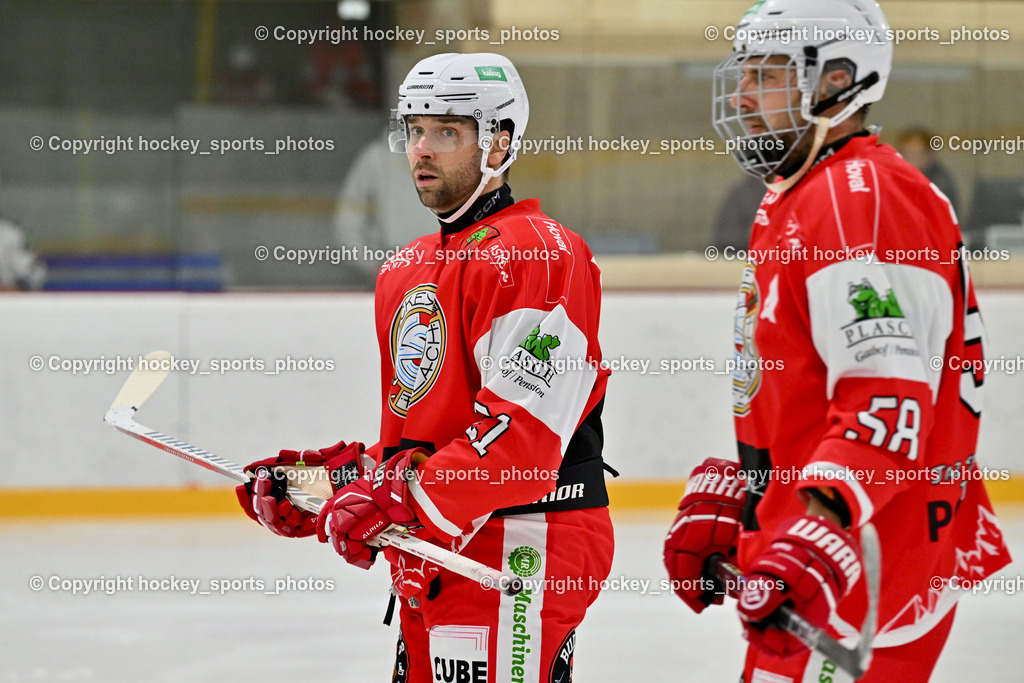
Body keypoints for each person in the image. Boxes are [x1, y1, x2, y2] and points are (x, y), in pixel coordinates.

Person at [236, 52, 615, 683]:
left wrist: (393, 499)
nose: (422, 151)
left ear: (499, 141)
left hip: (520, 543)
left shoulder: (539, 253)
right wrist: (332, 482)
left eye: (447, 132)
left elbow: (519, 437)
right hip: (437, 547)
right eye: (414, 131)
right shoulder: (406, 266)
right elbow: (425, 437)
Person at [664, 2, 1011, 681]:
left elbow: (889, 399)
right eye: (745, 74)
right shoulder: (803, 193)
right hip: (842, 548)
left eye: (766, 74)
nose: (742, 95)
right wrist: (755, 488)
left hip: (864, 560)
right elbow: (815, 385)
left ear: (837, 82)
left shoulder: (860, 196)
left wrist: (817, 522)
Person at [333, 135, 438, 284]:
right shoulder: (376, 159)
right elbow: (348, 221)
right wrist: (372, 265)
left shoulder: (454, 158)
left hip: (442, 269)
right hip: (391, 270)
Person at [896, 127, 961, 217]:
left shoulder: (940, 184)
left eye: (915, 154)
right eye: (905, 154)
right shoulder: (897, 177)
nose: (909, 159)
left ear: (930, 155)